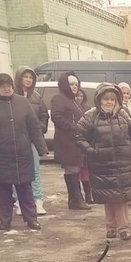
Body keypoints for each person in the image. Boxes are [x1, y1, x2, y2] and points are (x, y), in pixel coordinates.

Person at [0, 74, 48, 231]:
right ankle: (5, 221)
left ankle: (31, 219)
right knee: (3, 191)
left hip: (22, 153)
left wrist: (41, 147)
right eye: (3, 86)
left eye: (9, 85)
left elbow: (34, 126)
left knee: (26, 189)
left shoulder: (22, 102)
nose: (7, 89)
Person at [76, 84, 131, 240]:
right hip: (102, 165)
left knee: (121, 198)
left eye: (112, 99)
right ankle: (110, 227)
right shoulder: (90, 117)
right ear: (99, 100)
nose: (109, 102)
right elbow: (79, 136)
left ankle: (123, 227)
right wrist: (92, 151)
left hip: (123, 164)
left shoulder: (123, 115)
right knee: (108, 197)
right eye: (106, 99)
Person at [51, 72, 90, 210]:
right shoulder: (59, 98)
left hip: (76, 142)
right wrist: (74, 127)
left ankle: (74, 199)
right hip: (67, 142)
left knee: (76, 169)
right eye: (71, 84)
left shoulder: (73, 100)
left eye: (76, 84)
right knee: (72, 169)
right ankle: (76, 200)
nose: (74, 87)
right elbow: (56, 116)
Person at [14, 67, 49, 215]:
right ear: (19, 78)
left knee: (34, 171)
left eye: (31, 77)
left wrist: (38, 129)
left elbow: (44, 117)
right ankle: (19, 202)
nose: (28, 80)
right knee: (17, 172)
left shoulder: (36, 97)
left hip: (32, 140)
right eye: (25, 77)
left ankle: (37, 200)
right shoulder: (13, 96)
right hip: (15, 141)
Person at [74, 89, 94, 204]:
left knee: (85, 170)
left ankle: (88, 194)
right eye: (77, 96)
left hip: (87, 141)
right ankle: (78, 196)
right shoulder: (71, 108)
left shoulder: (88, 110)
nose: (79, 98)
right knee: (76, 170)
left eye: (81, 96)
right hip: (74, 143)